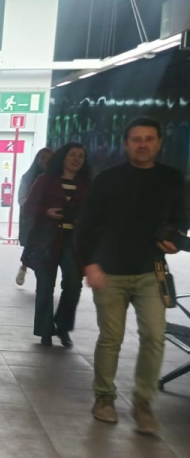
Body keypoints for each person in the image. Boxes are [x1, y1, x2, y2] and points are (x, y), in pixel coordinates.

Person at [76, 116, 186, 434]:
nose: (142, 144)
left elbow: (181, 219)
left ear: (159, 143)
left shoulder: (171, 179)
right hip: (108, 272)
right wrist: (89, 265)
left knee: (154, 336)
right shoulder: (108, 180)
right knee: (111, 338)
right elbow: (85, 225)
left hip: (150, 271)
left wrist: (176, 241)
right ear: (126, 144)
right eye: (136, 139)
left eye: (148, 138)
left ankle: (143, 403)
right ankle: (104, 399)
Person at [22, 144, 90, 347]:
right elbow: (29, 206)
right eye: (72, 155)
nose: (76, 159)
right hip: (47, 239)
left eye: (81, 156)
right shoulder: (45, 180)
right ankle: (44, 331)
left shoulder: (86, 184)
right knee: (45, 286)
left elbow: (94, 211)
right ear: (63, 158)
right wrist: (47, 212)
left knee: (73, 285)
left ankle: (62, 326)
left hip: (74, 241)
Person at [15, 147, 54, 286]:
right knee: (31, 244)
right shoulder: (28, 177)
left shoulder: (57, 177)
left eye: (49, 158)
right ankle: (24, 267)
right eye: (43, 158)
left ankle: (34, 274)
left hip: (50, 220)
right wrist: (34, 207)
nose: (46, 161)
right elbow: (21, 199)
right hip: (32, 218)